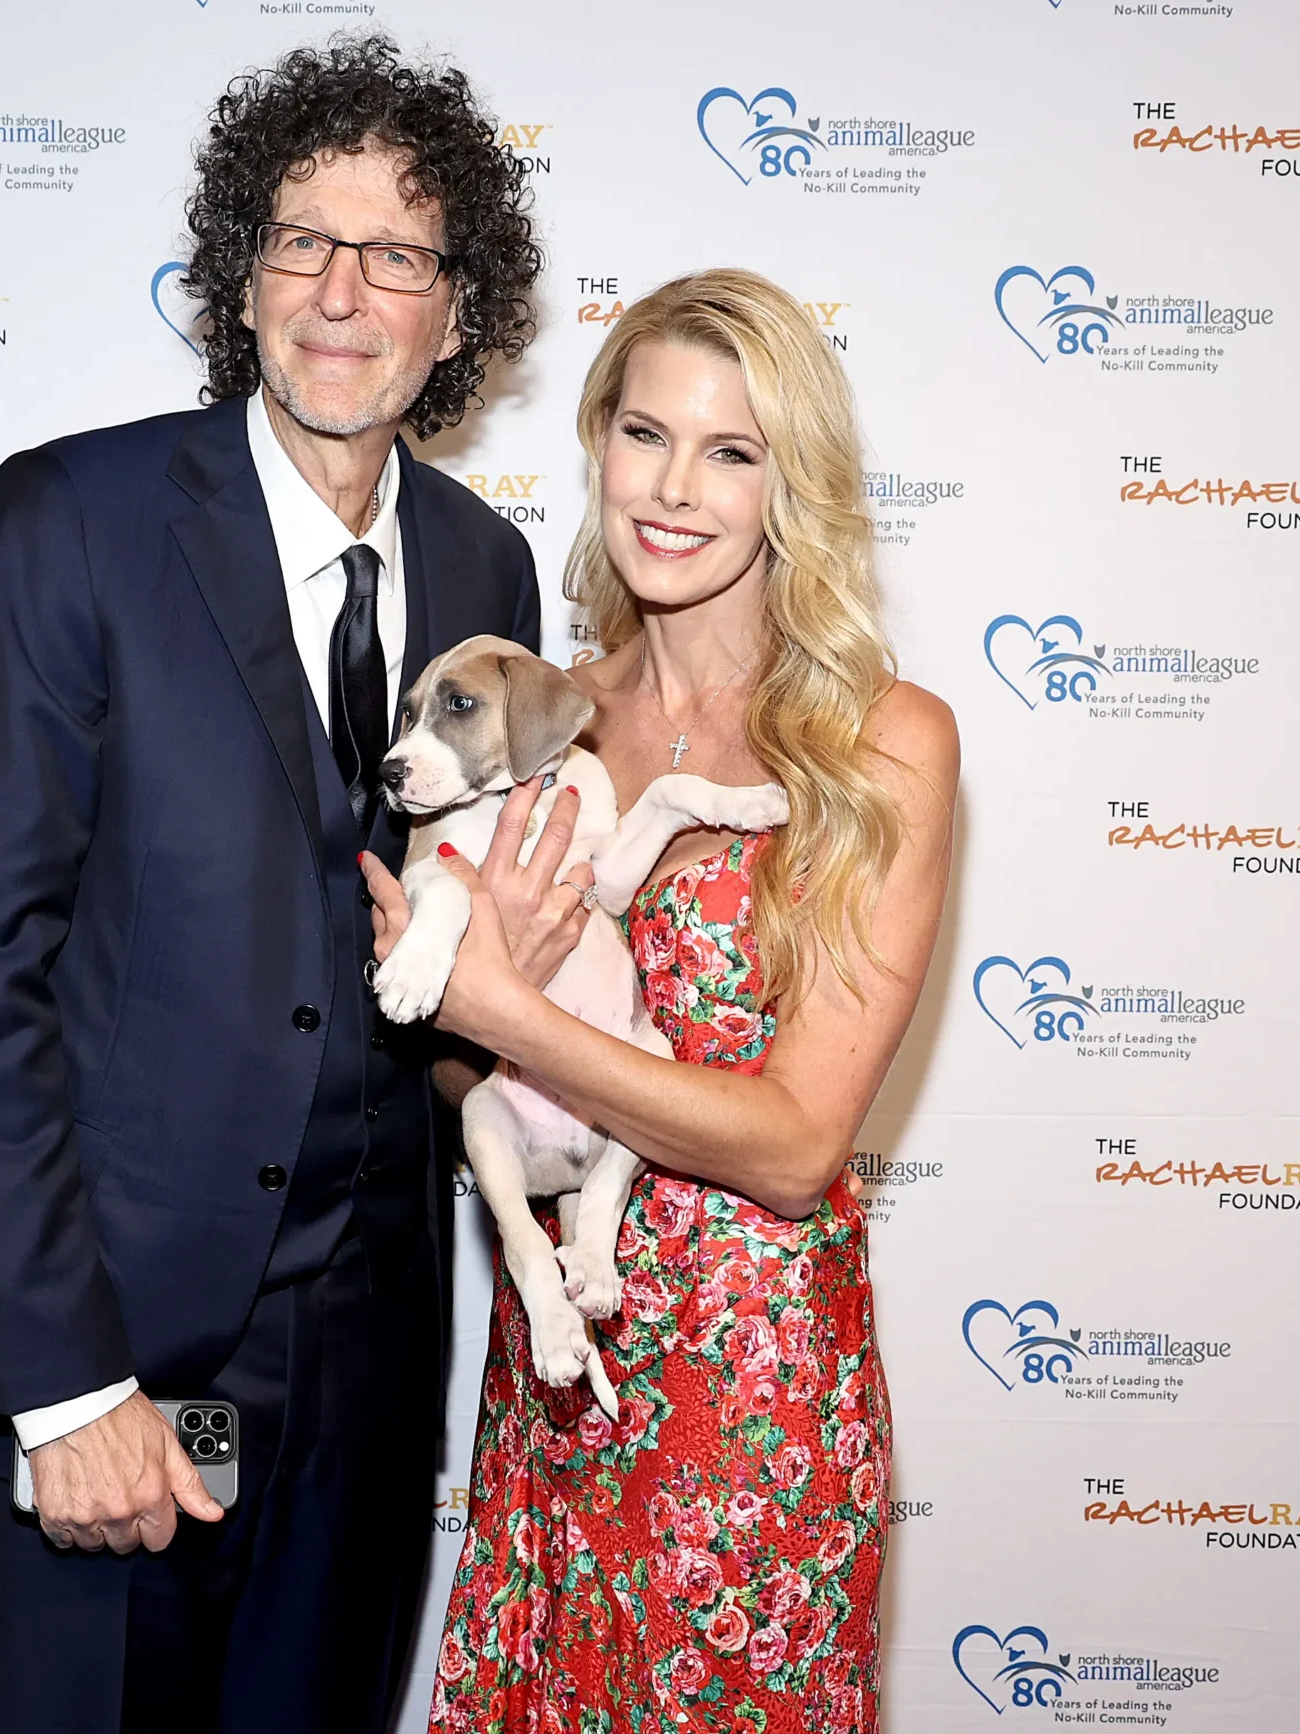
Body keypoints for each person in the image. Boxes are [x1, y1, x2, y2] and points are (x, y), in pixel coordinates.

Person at [0, 36, 556, 1733]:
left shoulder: (488, 565)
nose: (342, 292)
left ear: (457, 307)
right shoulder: (70, 519)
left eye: (396, 252)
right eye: (300, 241)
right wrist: (64, 1388)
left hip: (367, 1377)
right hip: (121, 1356)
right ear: (240, 270)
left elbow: (460, 937)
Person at [363, 270, 959, 1730]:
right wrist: (459, 1010)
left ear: (788, 485)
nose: (675, 487)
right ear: (597, 445)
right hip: (560, 1365)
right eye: (645, 433)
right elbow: (462, 1071)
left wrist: (508, 1007)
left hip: (752, 1398)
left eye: (732, 450)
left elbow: (797, 1140)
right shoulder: (536, 710)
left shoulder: (881, 744)